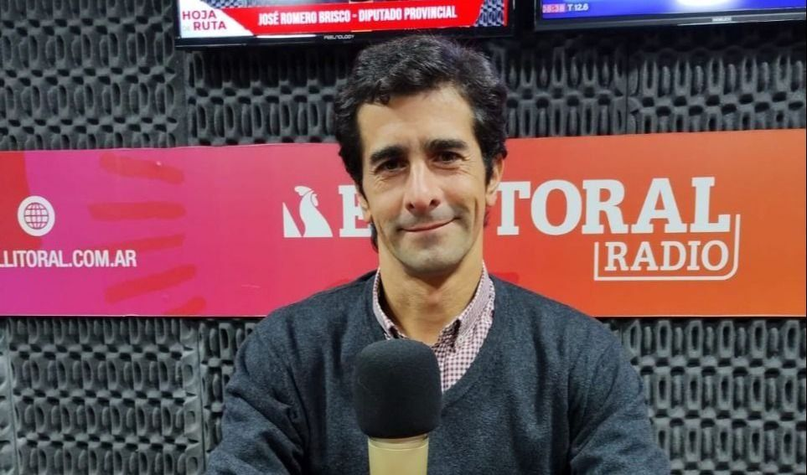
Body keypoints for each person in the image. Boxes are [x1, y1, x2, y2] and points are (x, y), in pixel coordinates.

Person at [207, 35, 670, 474]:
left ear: (492, 176)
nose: (421, 194)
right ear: (362, 195)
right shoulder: (286, 351)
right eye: (391, 164)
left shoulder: (582, 357)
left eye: (446, 156)